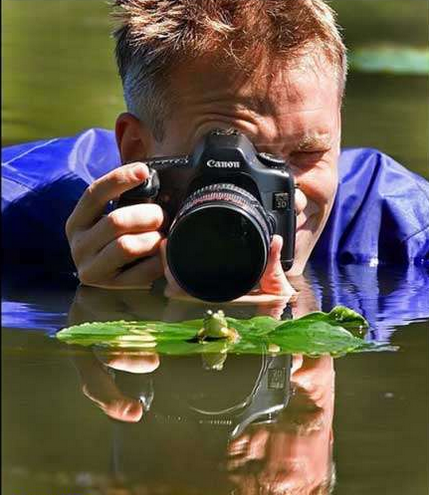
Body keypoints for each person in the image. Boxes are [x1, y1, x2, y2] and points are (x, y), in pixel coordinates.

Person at [2, 0, 429, 302]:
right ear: (137, 149)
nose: (291, 195)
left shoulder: (405, 233)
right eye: (234, 156)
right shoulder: (17, 216)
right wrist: (101, 305)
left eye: (307, 153)